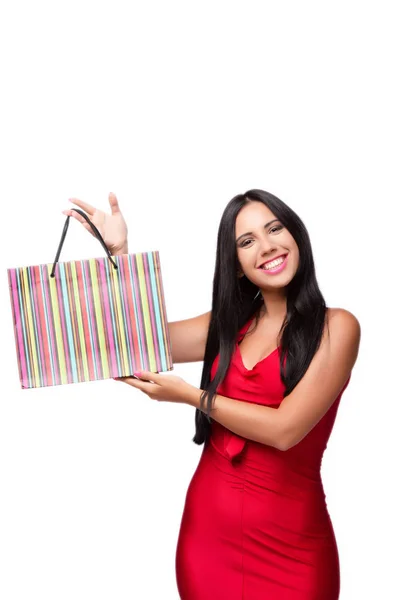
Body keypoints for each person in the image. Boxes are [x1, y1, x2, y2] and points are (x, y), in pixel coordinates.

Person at [64, 189, 360, 600]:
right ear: (236, 265)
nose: (267, 245)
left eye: (275, 228)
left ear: (296, 236)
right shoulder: (225, 325)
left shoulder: (337, 327)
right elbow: (133, 342)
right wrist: (120, 256)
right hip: (209, 540)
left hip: (295, 548)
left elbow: (285, 430)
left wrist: (192, 396)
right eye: (247, 241)